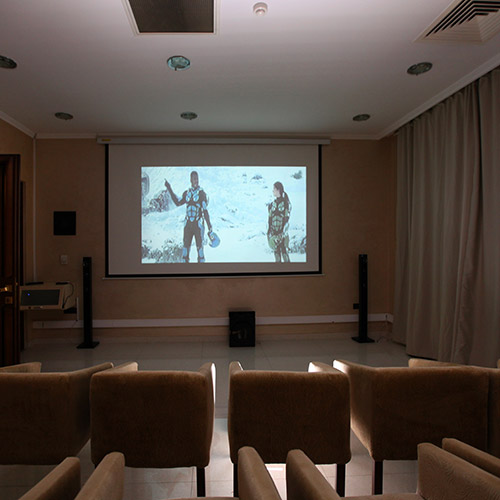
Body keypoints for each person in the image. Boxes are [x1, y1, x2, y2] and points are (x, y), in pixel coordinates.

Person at [164, 171, 212, 263]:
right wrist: (169, 188)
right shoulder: (187, 193)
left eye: (197, 178)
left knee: (200, 252)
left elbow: (205, 211)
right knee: (185, 252)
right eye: (194, 179)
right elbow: (178, 202)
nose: (196, 180)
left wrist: (210, 227)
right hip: (188, 225)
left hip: (198, 225)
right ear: (191, 180)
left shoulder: (202, 194)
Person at [267, 181, 291, 262]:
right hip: (274, 234)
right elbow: (269, 220)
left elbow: (287, 219)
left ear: (278, 190)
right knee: (277, 256)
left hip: (282, 234)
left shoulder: (286, 203)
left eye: (274, 188)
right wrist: (269, 233)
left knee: (285, 254)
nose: (273, 190)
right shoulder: (271, 205)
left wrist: (283, 233)